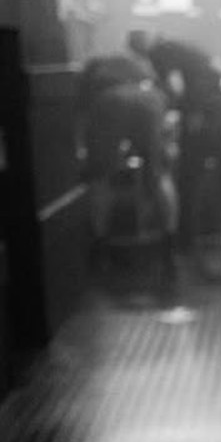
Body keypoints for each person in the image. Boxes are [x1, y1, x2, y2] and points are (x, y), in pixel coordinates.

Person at [127, 29, 221, 278]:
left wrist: (175, 111)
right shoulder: (182, 47)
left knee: (188, 181)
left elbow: (167, 88)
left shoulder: (159, 53)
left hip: (200, 115)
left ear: (139, 48)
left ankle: (185, 242)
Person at [76, 50, 178, 282]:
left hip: (110, 101)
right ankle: (169, 244)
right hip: (150, 98)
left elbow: (81, 113)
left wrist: (86, 153)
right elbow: (169, 98)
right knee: (160, 174)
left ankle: (98, 248)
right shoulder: (140, 63)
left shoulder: (92, 68)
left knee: (101, 177)